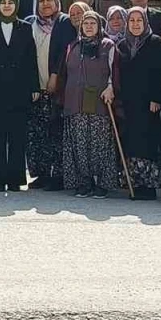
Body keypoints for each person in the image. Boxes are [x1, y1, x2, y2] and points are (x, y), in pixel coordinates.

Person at [0, 0, 38, 192]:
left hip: (19, 88)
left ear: (16, 5)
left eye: (10, 2)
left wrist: (34, 86)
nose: (6, 6)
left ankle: (15, 178)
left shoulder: (25, 27)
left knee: (17, 135)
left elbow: (31, 58)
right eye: (3, 2)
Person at [112, 6, 161, 200]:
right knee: (131, 142)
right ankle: (133, 183)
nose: (135, 24)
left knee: (147, 143)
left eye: (139, 20)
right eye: (132, 20)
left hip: (149, 104)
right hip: (128, 102)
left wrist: (156, 98)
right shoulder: (121, 45)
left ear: (145, 22)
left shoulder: (156, 43)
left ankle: (148, 185)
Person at [60, 11, 118, 198]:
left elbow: (114, 71)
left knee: (100, 144)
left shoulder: (107, 45)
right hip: (75, 101)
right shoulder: (73, 46)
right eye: (86, 23)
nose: (89, 26)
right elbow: (65, 72)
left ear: (99, 26)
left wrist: (111, 87)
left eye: (93, 23)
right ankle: (84, 182)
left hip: (99, 101)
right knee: (79, 145)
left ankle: (101, 183)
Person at [25, 0, 64, 190]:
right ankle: (40, 173)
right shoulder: (30, 23)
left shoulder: (63, 23)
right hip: (35, 87)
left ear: (56, 2)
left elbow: (64, 52)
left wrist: (55, 76)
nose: (46, 4)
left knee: (55, 132)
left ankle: (57, 175)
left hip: (56, 86)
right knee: (36, 133)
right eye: (41, 0)